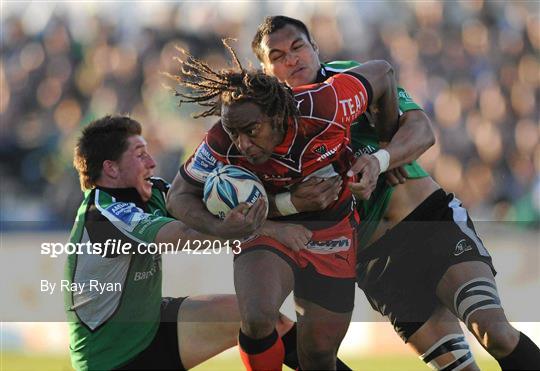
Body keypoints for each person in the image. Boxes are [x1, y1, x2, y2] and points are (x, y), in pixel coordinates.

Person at [251, 15, 540, 371]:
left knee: (495, 333)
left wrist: (380, 159)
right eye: (278, 56)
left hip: (428, 221)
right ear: (265, 70)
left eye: (298, 47)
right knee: (458, 368)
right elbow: (253, 201)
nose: (292, 59)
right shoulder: (266, 129)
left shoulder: (351, 80)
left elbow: (422, 130)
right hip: (375, 259)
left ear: (315, 48)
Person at [166, 40, 399, 370]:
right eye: (234, 132)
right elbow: (177, 196)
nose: (242, 144)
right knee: (258, 319)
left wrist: (385, 150)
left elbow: (384, 72)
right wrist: (221, 227)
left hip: (332, 229)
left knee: (317, 354)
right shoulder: (220, 140)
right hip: (267, 233)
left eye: (251, 130)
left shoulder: (325, 106)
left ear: (277, 115)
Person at [66, 114, 316, 371]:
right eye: (140, 155)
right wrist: (248, 229)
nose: (152, 163)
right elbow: (187, 234)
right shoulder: (103, 215)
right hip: (110, 359)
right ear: (111, 168)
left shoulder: (150, 194)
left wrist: (290, 201)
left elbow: (214, 212)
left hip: (150, 325)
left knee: (261, 319)